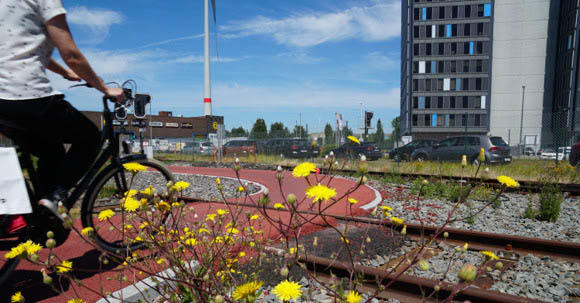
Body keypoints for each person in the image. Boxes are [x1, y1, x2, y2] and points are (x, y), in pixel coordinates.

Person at [0, 0, 125, 232]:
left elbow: (25, 49)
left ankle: (40, 218)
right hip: (27, 96)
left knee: (52, 151)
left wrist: (65, 73)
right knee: (89, 137)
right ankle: (55, 199)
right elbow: (72, 54)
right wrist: (105, 89)